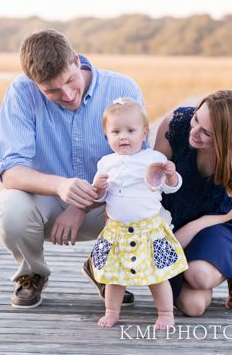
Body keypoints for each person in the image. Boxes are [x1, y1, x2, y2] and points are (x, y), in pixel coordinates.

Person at [0, 29, 144, 308]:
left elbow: (134, 169)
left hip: (105, 204)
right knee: (8, 208)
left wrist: (80, 206)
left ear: (76, 60)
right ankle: (31, 273)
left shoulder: (123, 89)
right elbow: (10, 172)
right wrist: (61, 186)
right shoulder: (21, 93)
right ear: (34, 83)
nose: (69, 95)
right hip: (47, 203)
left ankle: (103, 266)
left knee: (151, 207)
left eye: (70, 81)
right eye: (52, 91)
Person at [154, 89, 232, 316]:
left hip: (223, 219)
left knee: (199, 275)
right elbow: (151, 181)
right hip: (176, 214)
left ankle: (228, 266)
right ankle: (203, 272)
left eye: (207, 133)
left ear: (228, 139)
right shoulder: (175, 125)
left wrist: (197, 225)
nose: (194, 132)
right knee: (193, 307)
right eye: (196, 119)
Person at [90, 98, 187, 329]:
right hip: (117, 231)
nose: (123, 136)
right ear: (106, 135)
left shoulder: (154, 159)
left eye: (130, 131)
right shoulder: (106, 163)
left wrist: (172, 176)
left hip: (148, 230)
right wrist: (98, 188)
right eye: (116, 131)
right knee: (114, 277)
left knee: (157, 276)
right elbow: (101, 198)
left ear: (144, 133)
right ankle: (112, 311)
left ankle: (165, 313)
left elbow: (171, 188)